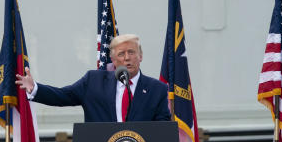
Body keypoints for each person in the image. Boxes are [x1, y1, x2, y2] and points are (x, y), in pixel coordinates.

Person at [15, 33, 170, 122]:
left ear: (140, 56)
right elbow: (64, 96)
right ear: (114, 60)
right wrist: (35, 88)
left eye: (131, 52)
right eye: (121, 54)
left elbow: (162, 129)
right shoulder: (93, 81)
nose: (127, 58)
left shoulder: (158, 89)